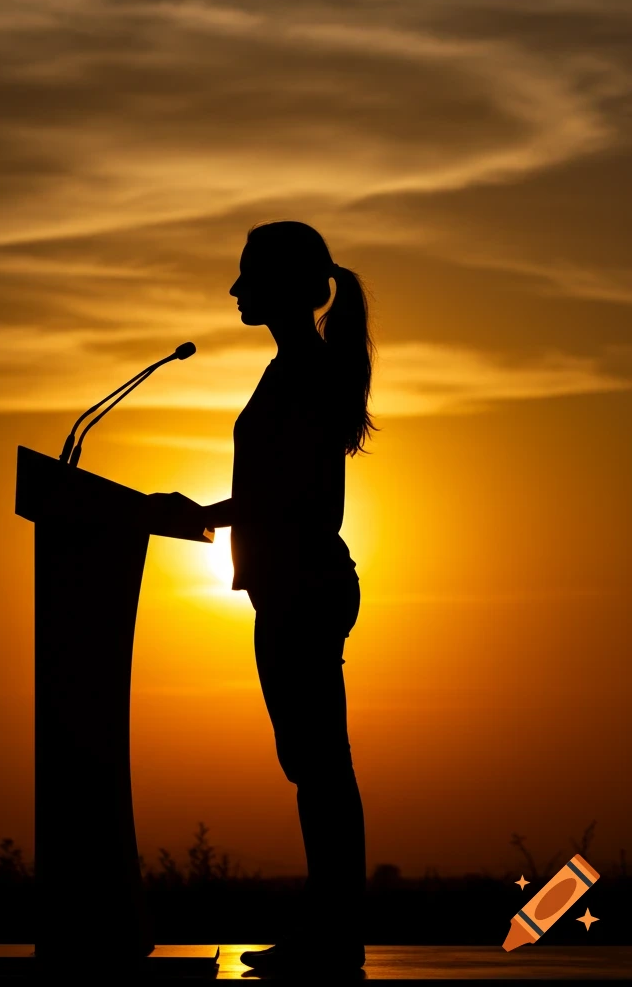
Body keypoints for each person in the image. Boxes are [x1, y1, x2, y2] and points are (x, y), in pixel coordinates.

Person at [156, 221, 376, 974]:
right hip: (293, 585)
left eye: (248, 275)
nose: (234, 289)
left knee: (319, 767)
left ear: (284, 285)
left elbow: (287, 498)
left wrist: (197, 515)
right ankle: (332, 930)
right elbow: (271, 492)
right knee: (313, 764)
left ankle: (334, 935)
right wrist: (206, 515)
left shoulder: (305, 373)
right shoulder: (294, 368)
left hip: (303, 587)